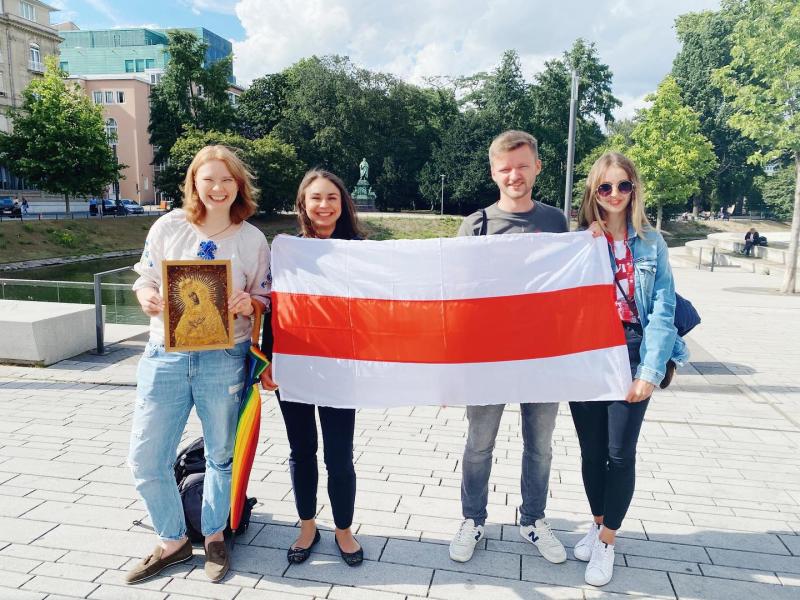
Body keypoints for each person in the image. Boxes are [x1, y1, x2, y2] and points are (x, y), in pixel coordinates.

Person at [126, 145, 270, 584]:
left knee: (221, 456)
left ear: (239, 185)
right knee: (145, 459)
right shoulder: (168, 227)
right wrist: (145, 296)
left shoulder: (252, 239)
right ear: (193, 184)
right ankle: (171, 540)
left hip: (225, 358)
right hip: (164, 356)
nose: (218, 188)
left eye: (227, 179)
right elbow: (144, 278)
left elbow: (266, 296)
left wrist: (251, 303)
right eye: (208, 179)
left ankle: (213, 535)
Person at [448, 130, 568, 565]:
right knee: (479, 442)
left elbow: (569, 285)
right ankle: (472, 518)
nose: (514, 175)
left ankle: (533, 519)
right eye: (505, 168)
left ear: (537, 166)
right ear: (493, 172)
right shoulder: (476, 224)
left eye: (522, 165)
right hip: (488, 357)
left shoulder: (557, 222)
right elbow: (457, 296)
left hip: (542, 355)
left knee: (540, 444)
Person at [571, 152, 688, 586]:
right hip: (586, 353)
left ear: (634, 189)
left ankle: (607, 540)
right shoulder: (579, 240)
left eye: (623, 185)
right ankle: (598, 520)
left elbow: (662, 308)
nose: (615, 194)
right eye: (605, 187)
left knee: (620, 454)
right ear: (593, 192)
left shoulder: (652, 242)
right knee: (590, 451)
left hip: (633, 349)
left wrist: (650, 370)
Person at [260, 169, 364, 567]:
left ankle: (343, 529)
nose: (324, 205)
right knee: (301, 449)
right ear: (302, 204)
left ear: (343, 204)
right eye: (315, 197)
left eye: (332, 198)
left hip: (341, 368)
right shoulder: (286, 249)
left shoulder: (361, 251)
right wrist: (267, 361)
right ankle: (307, 526)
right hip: (295, 365)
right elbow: (273, 310)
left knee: (340, 456)